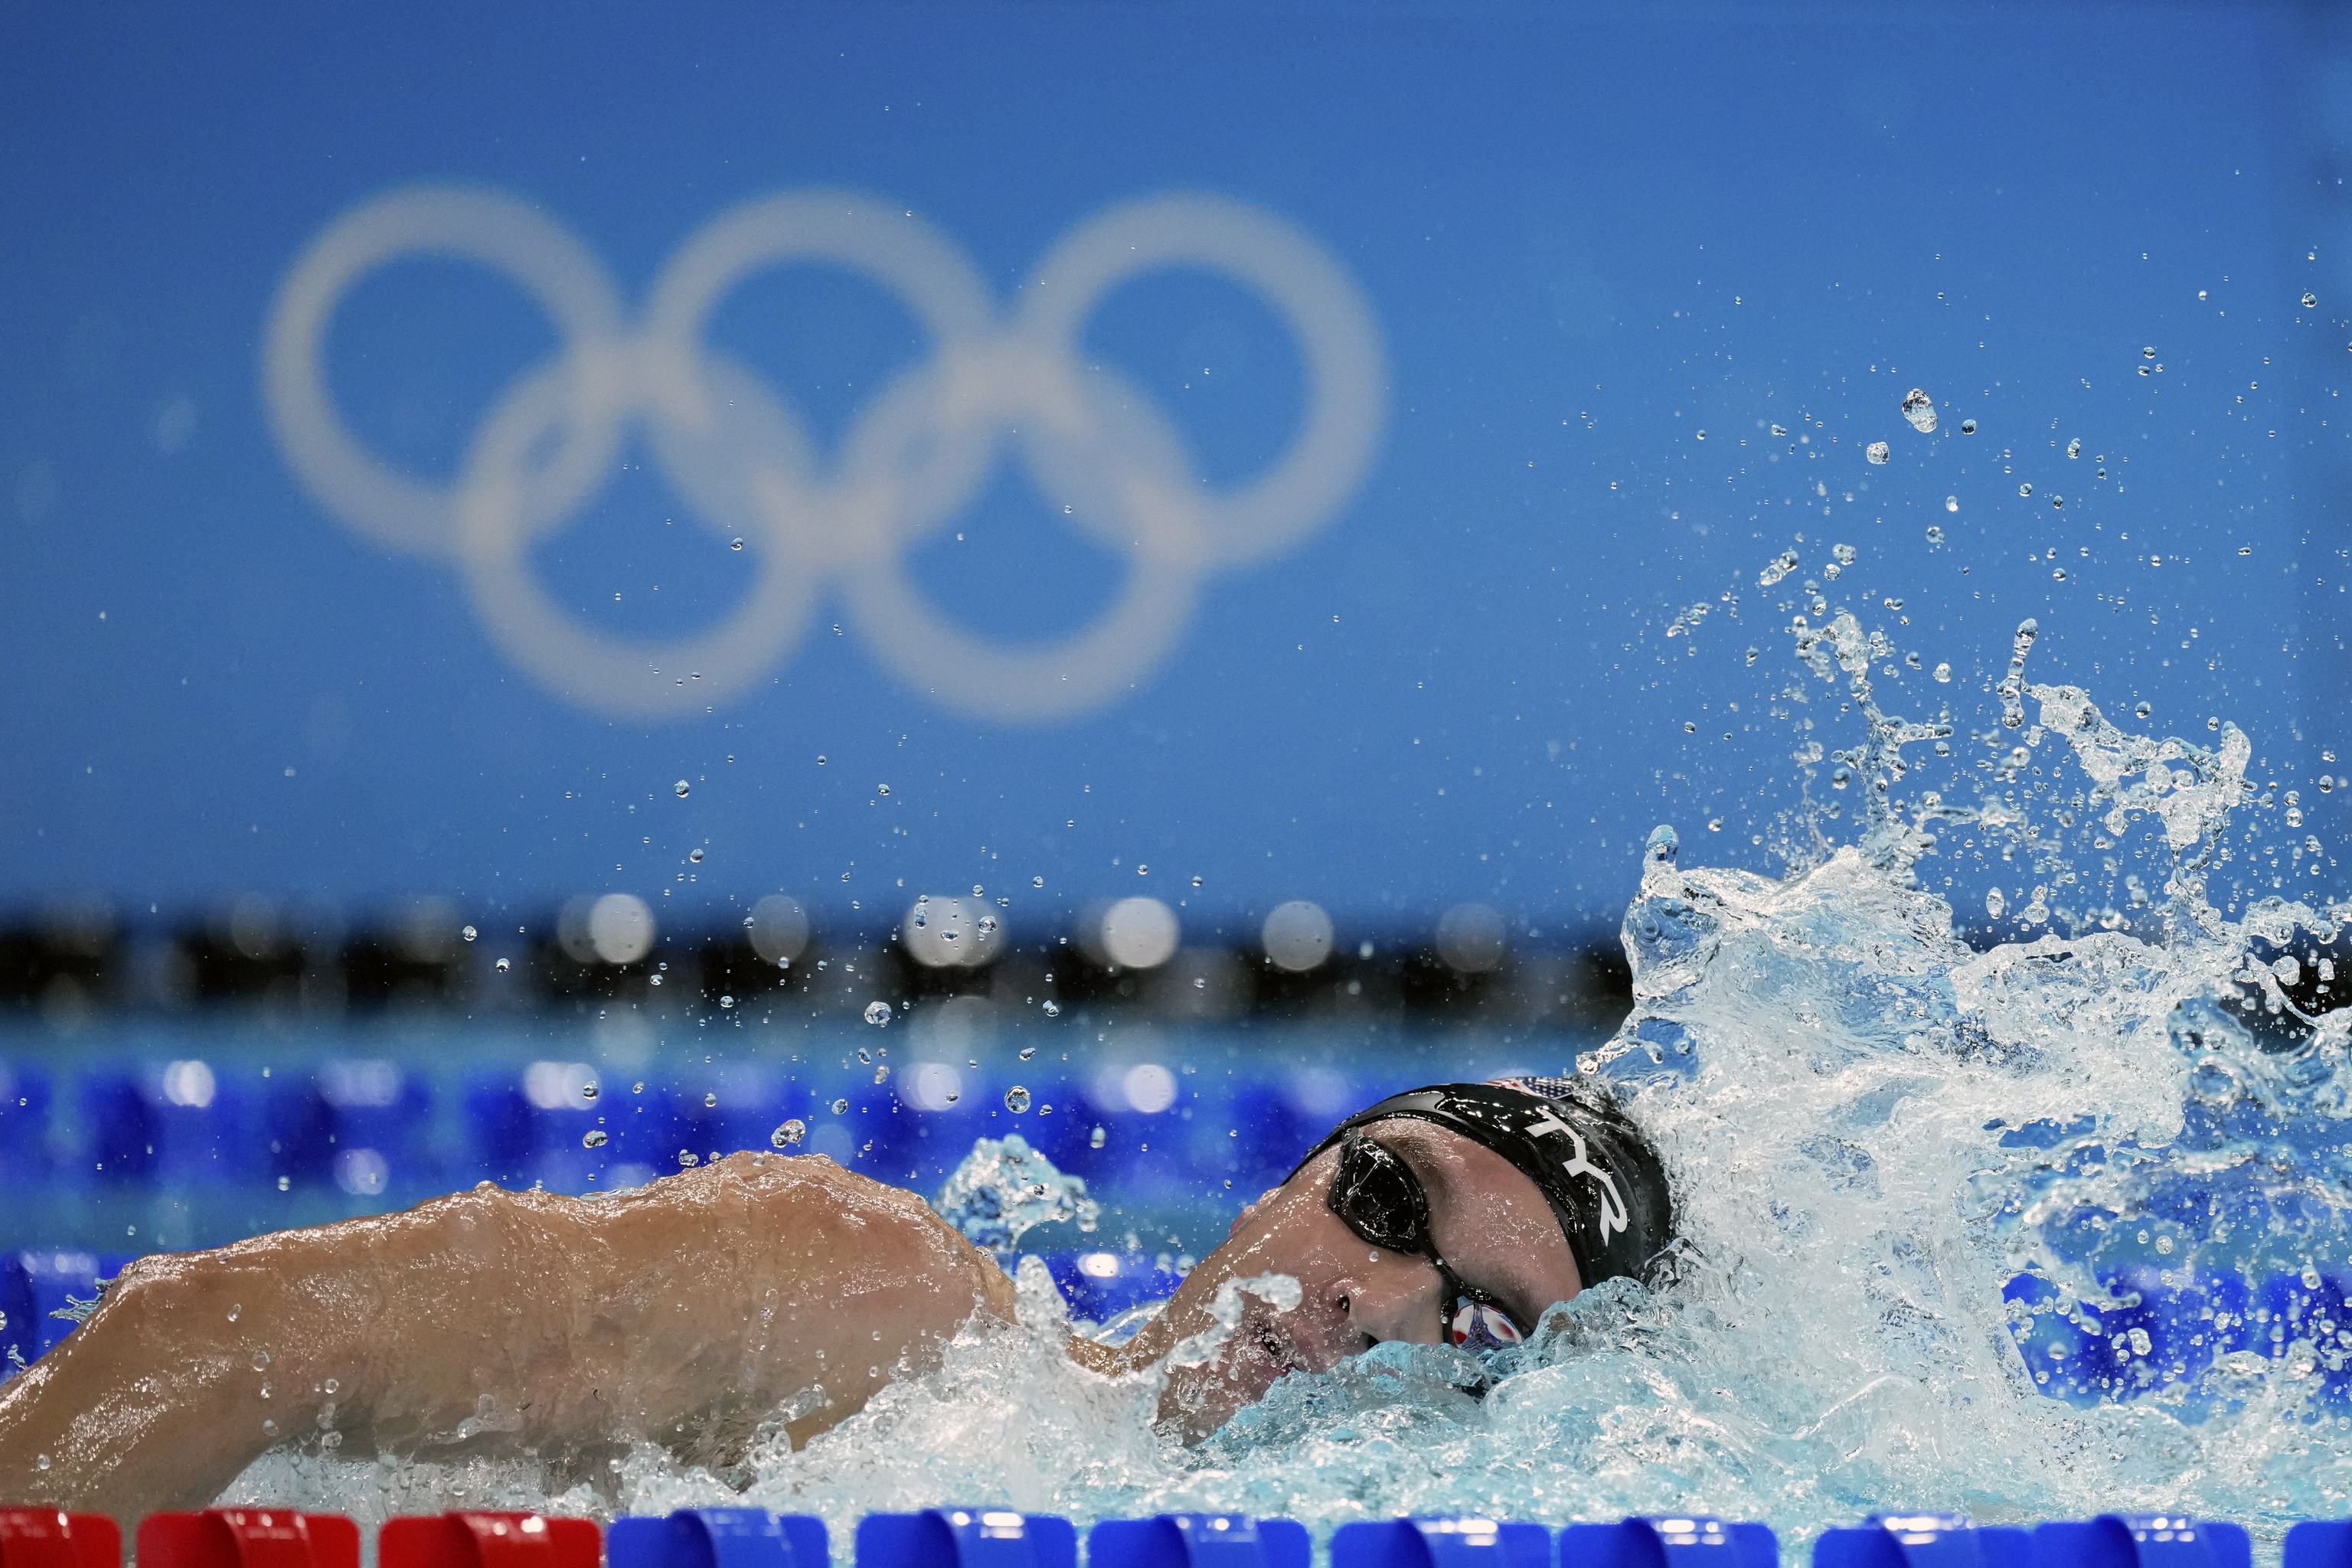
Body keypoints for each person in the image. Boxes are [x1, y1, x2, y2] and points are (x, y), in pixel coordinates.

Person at [0, 1076, 1673, 1523]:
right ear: (1282, 1181)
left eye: (1472, 1327)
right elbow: (208, 1341)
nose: (1370, 1300)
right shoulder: (875, 1310)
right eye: (1382, 1200)